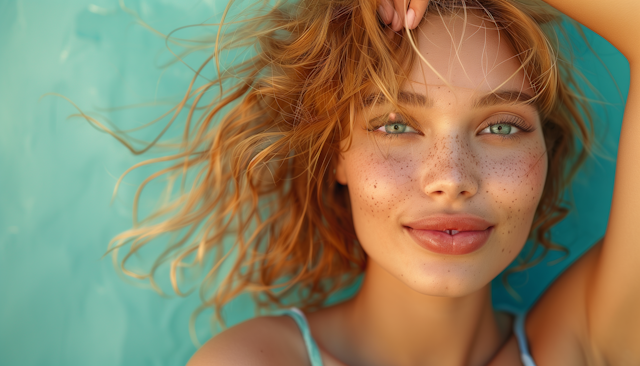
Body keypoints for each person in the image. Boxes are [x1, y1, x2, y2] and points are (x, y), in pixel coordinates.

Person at [107, 0, 639, 364]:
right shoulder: (251, 362)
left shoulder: (586, 343)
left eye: (501, 126)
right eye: (396, 125)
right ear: (336, 153)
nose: (450, 178)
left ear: (545, 151)